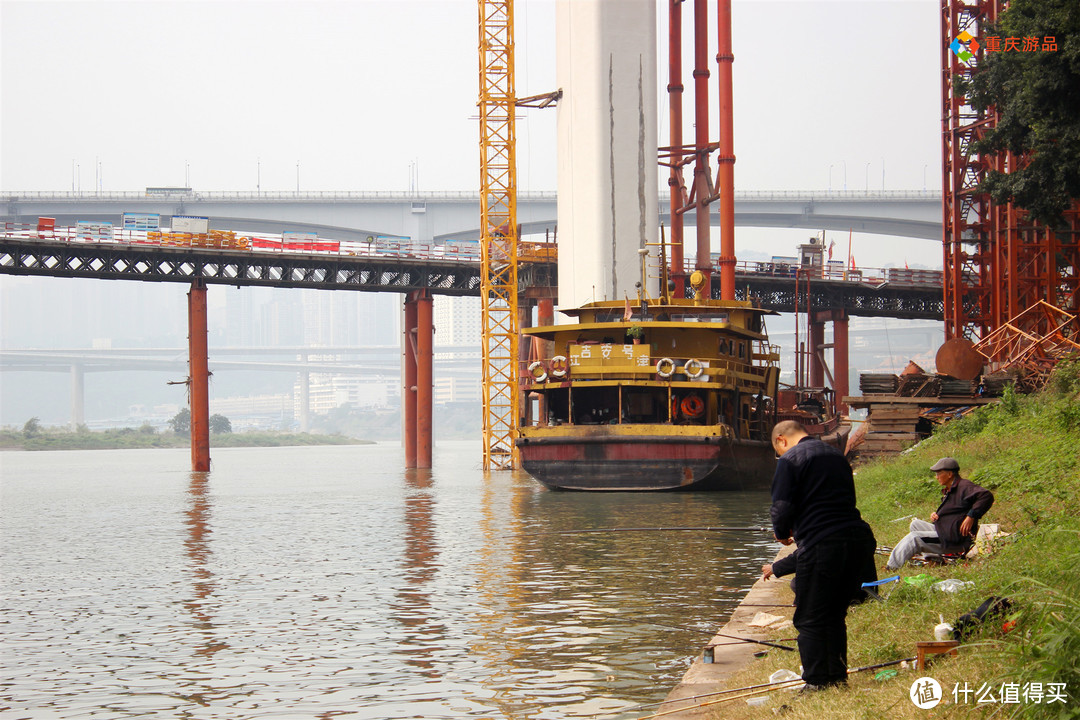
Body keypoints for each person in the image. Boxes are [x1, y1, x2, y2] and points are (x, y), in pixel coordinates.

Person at [769, 420, 877, 691]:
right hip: (856, 540)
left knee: (810, 616)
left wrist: (782, 532)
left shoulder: (790, 459)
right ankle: (836, 677)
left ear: (782, 440)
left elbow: (781, 506)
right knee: (834, 613)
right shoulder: (835, 456)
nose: (779, 456)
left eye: (777, 450)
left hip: (822, 545)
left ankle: (817, 682)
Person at [885, 457, 994, 570]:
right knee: (915, 524)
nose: (936, 477)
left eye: (938, 473)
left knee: (914, 538)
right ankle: (934, 559)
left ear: (950, 474)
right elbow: (955, 511)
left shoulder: (964, 486)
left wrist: (971, 516)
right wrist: (937, 515)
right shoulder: (950, 489)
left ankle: (891, 567)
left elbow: (986, 496)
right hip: (946, 531)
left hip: (954, 538)